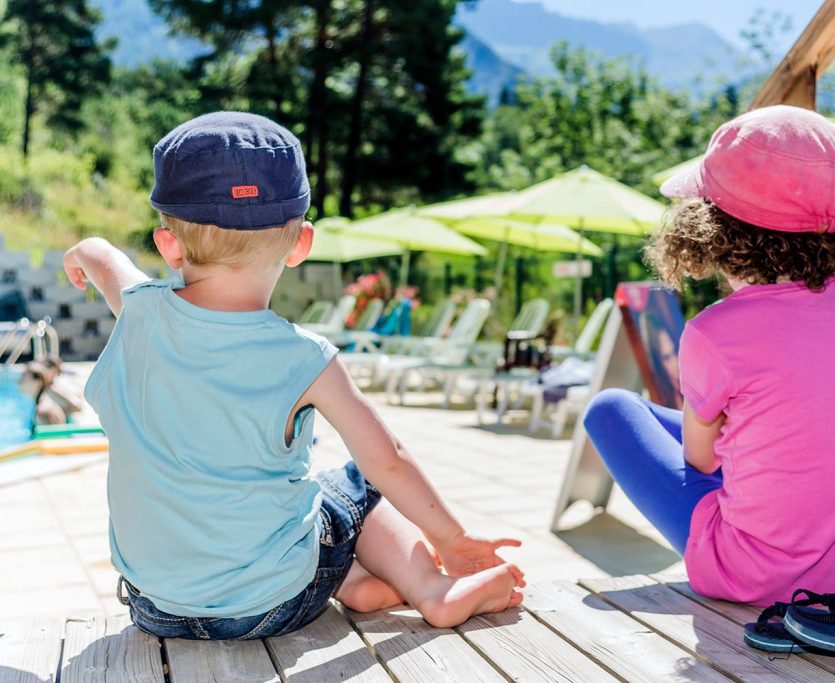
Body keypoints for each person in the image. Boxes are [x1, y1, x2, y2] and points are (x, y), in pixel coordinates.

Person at [63, 112, 524, 640]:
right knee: (351, 484)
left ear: (169, 245)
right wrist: (453, 540)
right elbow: (390, 462)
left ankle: (352, 579)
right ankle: (430, 588)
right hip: (271, 605)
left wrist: (86, 251)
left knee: (297, 508)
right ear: (301, 243)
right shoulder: (306, 359)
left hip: (156, 607)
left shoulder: (139, 313)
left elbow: (104, 261)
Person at [583, 105, 835, 606]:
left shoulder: (716, 332)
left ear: (711, 228)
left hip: (759, 579)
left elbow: (700, 458)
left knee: (612, 411)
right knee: (702, 422)